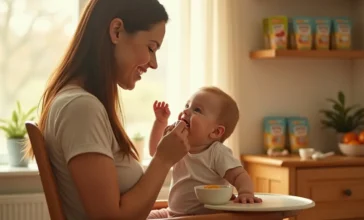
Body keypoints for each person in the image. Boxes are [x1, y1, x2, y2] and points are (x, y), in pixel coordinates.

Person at [24, 0, 191, 219]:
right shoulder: (81, 108)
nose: (154, 63)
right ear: (117, 31)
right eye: (150, 48)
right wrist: (163, 159)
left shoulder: (80, 104)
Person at [148, 86, 262, 218]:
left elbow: (239, 176)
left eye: (197, 110)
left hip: (203, 216)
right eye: (187, 105)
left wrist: (246, 193)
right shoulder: (179, 145)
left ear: (215, 132)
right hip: (172, 212)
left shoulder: (217, 153)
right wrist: (160, 122)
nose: (186, 110)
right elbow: (155, 152)